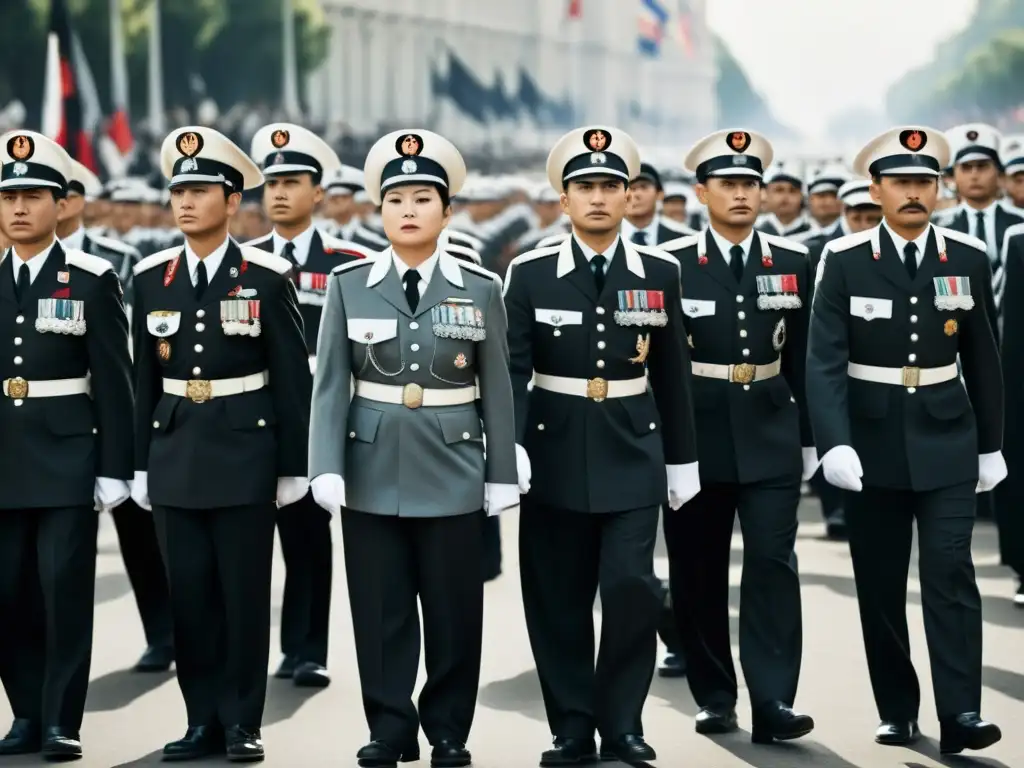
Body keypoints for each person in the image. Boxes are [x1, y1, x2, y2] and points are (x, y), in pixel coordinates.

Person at [309, 129, 518, 768]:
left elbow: (499, 387)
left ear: (447, 211)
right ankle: (390, 728)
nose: (407, 209)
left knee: (454, 610)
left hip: (454, 463)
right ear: (378, 209)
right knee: (380, 608)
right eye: (395, 197)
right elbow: (329, 384)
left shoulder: (480, 287)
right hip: (371, 464)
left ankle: (449, 729)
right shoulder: (349, 284)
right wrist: (325, 466)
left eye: (422, 197)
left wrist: (501, 472)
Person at [503, 125, 700, 766]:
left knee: (630, 590)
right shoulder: (530, 273)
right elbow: (509, 366)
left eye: (609, 187)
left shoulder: (659, 271)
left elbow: (673, 374)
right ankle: (571, 726)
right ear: (563, 201)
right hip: (553, 452)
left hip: (632, 449)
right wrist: (507, 447)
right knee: (557, 598)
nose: (597, 198)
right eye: (583, 187)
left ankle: (622, 721)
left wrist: (684, 459)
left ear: (628, 196)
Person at [808, 125, 1005, 754]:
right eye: (901, 183)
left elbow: (985, 358)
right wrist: (833, 442)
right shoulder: (843, 260)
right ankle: (897, 706)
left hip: (947, 435)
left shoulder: (968, 257)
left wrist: (993, 444)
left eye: (925, 182)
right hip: (871, 444)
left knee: (950, 570)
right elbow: (823, 361)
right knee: (882, 581)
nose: (914, 193)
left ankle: (962, 713)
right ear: (877, 189)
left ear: (939, 188)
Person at [130, 126, 312, 762]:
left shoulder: (266, 275)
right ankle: (199, 718)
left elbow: (293, 379)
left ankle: (242, 721)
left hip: (244, 453)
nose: (186, 201)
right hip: (176, 452)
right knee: (192, 598)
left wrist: (294, 468)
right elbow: (141, 380)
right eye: (178, 189)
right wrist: (137, 466)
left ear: (233, 201)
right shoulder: (151, 276)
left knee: (241, 594)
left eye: (201, 189)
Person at [660, 129, 817, 744]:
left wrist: (811, 441)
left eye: (751, 183)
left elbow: (804, 360)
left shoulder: (793, 262)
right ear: (702, 192)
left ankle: (775, 698)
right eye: (728, 184)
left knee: (773, 566)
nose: (743, 194)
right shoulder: (670, 264)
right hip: (696, 436)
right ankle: (715, 693)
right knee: (697, 569)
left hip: (771, 432)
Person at [0, 130, 133, 760]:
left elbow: (114, 380)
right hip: (2, 460)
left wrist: (116, 468)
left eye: (33, 195)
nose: (20, 207)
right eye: (9, 197)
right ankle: (24, 713)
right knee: (8, 593)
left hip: (66, 459)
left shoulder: (92, 278)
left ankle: (60, 719)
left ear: (62, 205)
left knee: (62, 590)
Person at [246, 122, 374, 689]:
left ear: (318, 193)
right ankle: (250, 650)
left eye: (292, 182)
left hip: (320, 416)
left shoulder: (350, 261)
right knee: (247, 542)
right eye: (271, 182)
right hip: (249, 415)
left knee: (308, 537)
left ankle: (306, 648)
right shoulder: (242, 261)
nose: (278, 193)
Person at [60, 157, 175, 673]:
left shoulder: (117, 259)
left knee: (141, 532)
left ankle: (164, 633)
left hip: (115, 410)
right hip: (55, 418)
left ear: (77, 201)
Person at [802, 178, 883, 540]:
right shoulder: (815, 249)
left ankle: (865, 502)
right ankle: (834, 508)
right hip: (828, 355)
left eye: (872, 215)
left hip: (873, 359)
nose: (865, 223)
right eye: (858, 215)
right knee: (830, 430)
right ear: (845, 213)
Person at [622, 162, 695, 245]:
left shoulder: (684, 241)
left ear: (660, 194)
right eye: (629, 188)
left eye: (643, 187)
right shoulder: (607, 239)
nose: (635, 194)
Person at [756, 163, 811, 237]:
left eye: (792, 191)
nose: (785, 196)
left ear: (801, 196)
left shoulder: (813, 233)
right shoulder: (755, 232)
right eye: (779, 190)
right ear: (767, 194)